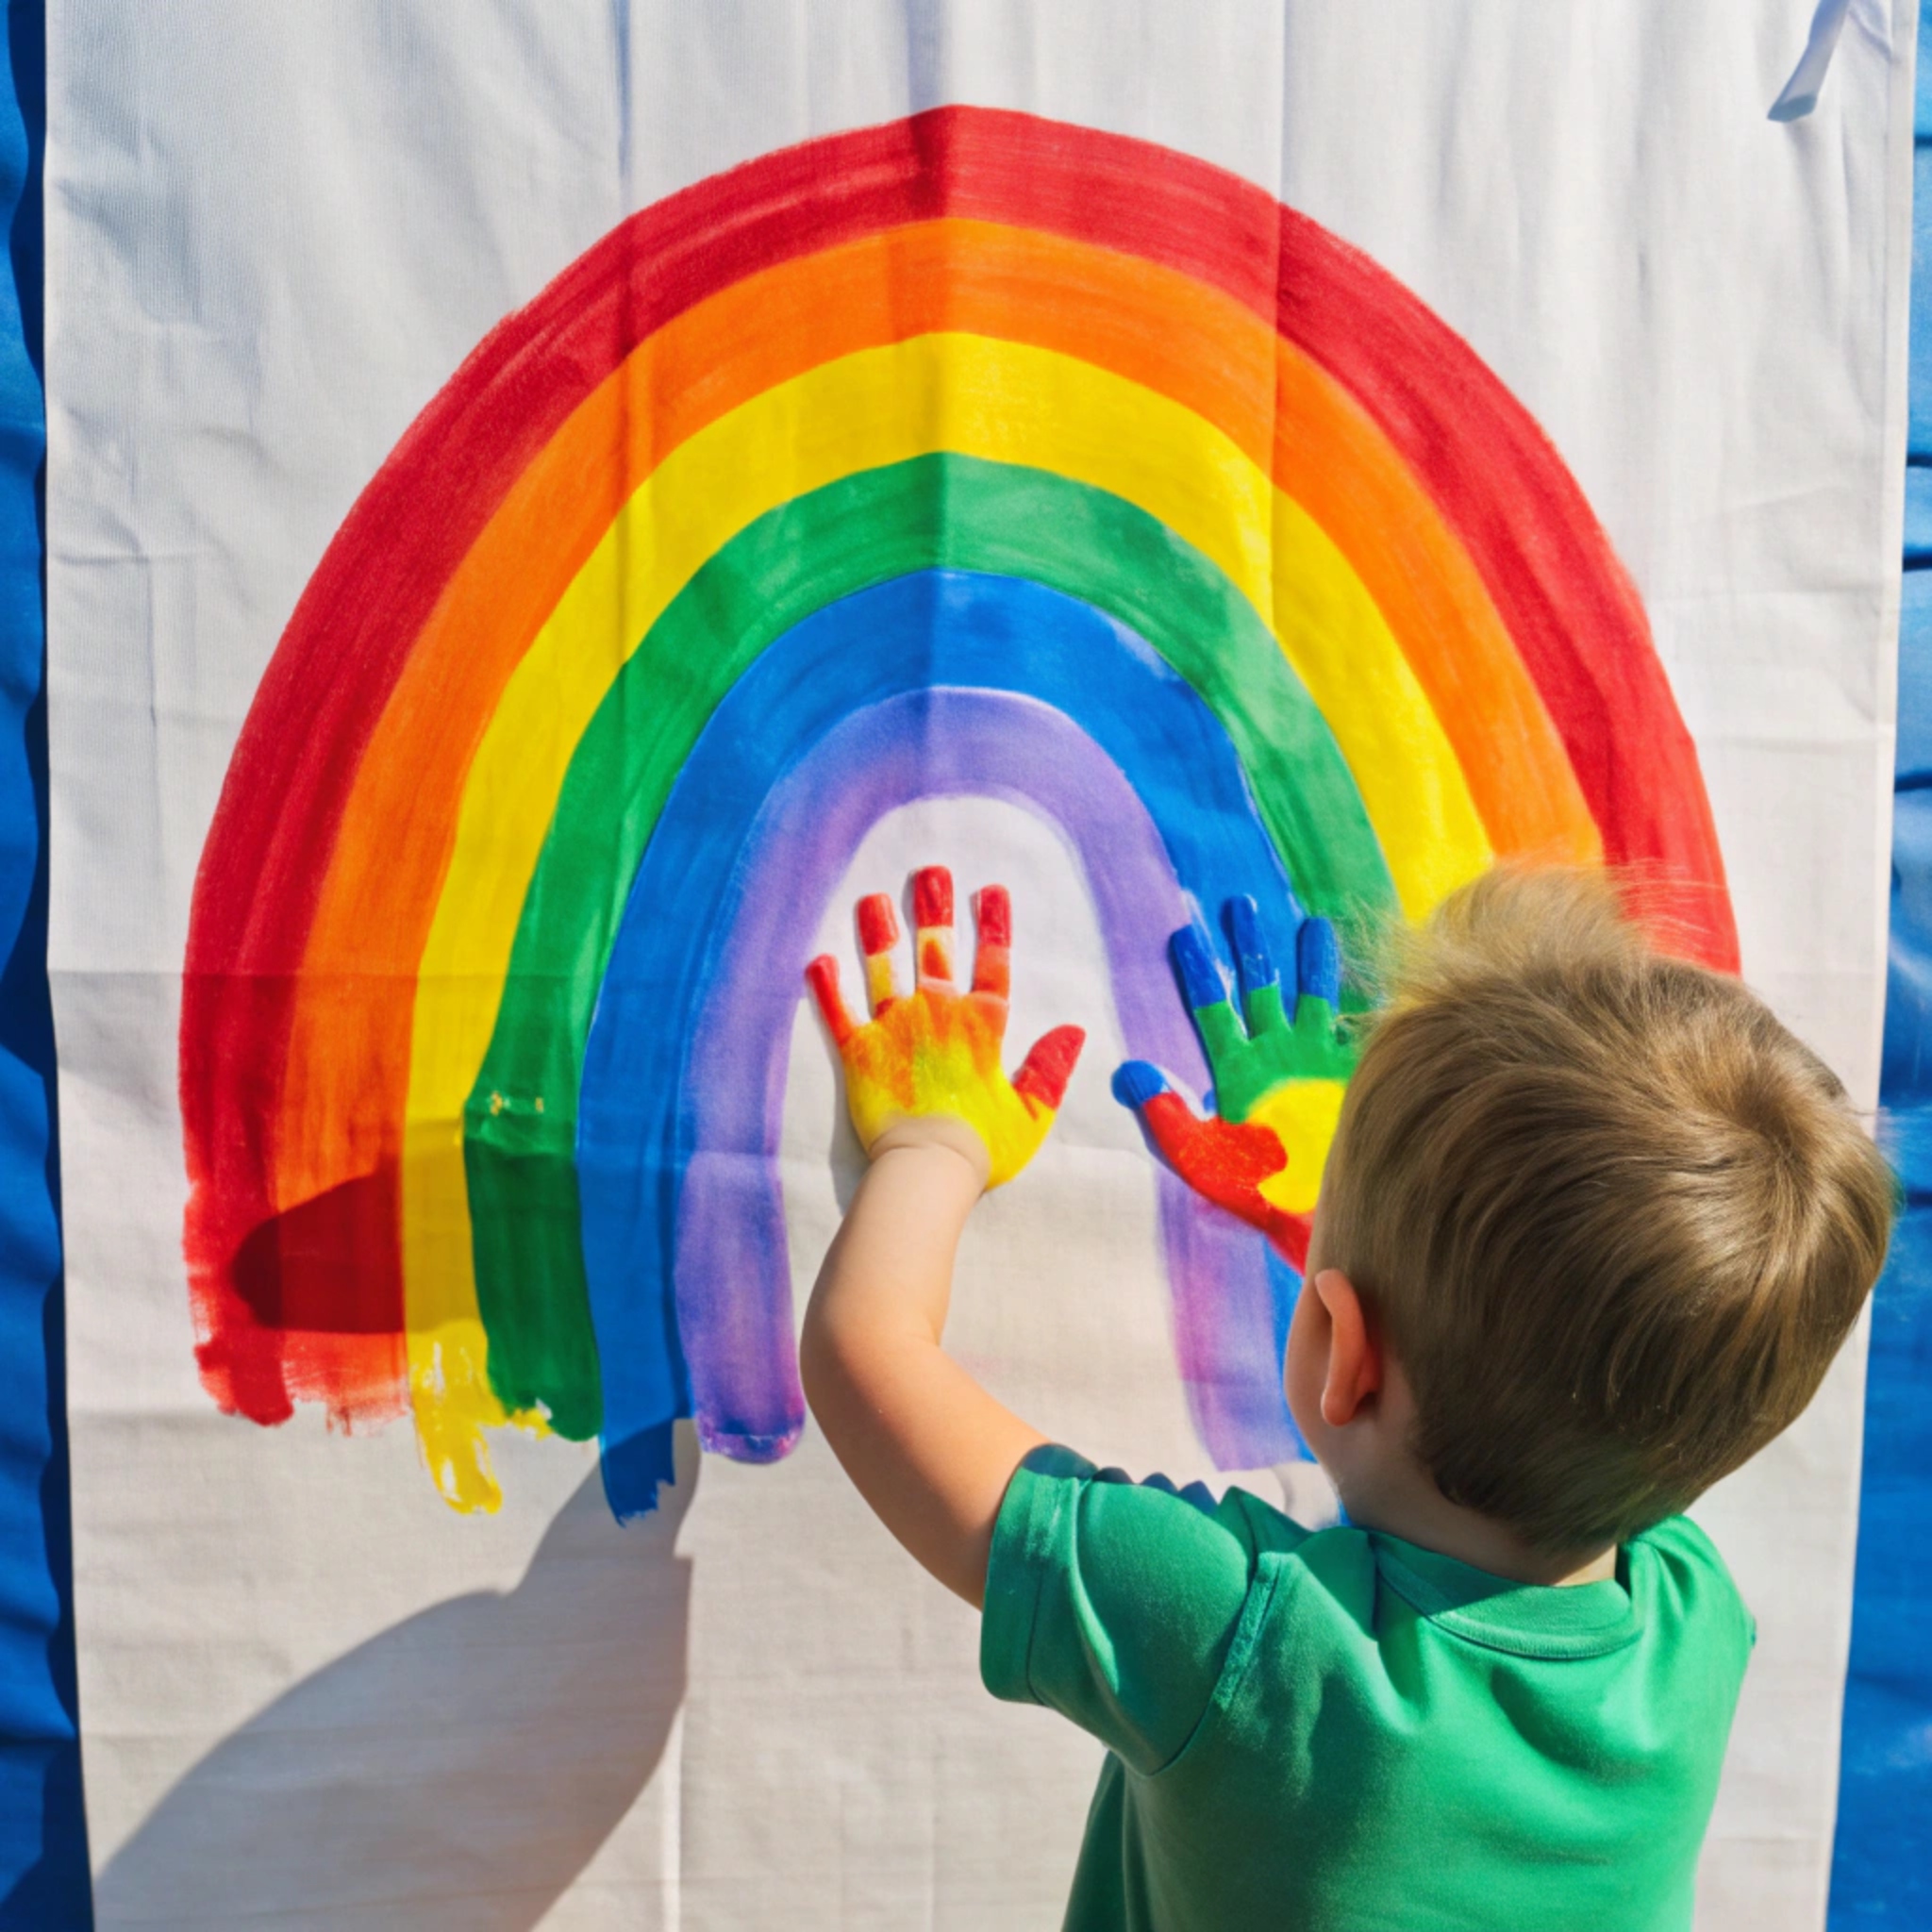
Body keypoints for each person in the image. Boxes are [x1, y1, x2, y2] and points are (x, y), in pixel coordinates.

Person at [798, 862, 1893, 1931]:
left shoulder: (1242, 1639)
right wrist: (1369, 1271)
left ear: (1338, 1342)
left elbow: (868, 1354)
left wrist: (933, 1143)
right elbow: (1605, 1349)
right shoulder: (1694, 1628)